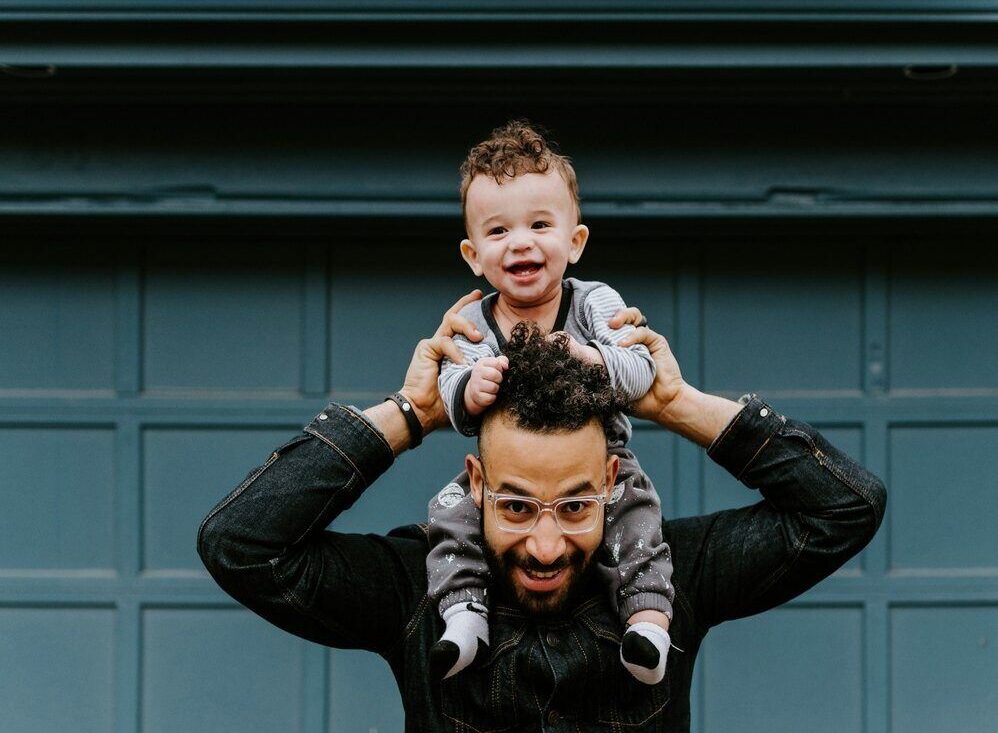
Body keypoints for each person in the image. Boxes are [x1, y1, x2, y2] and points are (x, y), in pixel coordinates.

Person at [197, 292, 887, 733]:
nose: (548, 545)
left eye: (577, 505)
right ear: (476, 483)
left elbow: (844, 507)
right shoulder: (416, 588)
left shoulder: (674, 577)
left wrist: (677, 405)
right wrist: (411, 415)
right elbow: (241, 544)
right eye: (518, 507)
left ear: (613, 480)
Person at [429, 120, 672, 685]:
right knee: (450, 514)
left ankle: (648, 621)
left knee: (638, 518)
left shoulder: (594, 303)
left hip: (600, 460)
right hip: (502, 472)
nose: (521, 241)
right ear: (472, 254)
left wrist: (593, 358)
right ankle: (464, 613)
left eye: (540, 224)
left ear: (575, 241)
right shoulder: (469, 321)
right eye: (498, 231)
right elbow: (450, 398)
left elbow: (640, 372)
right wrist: (470, 387)